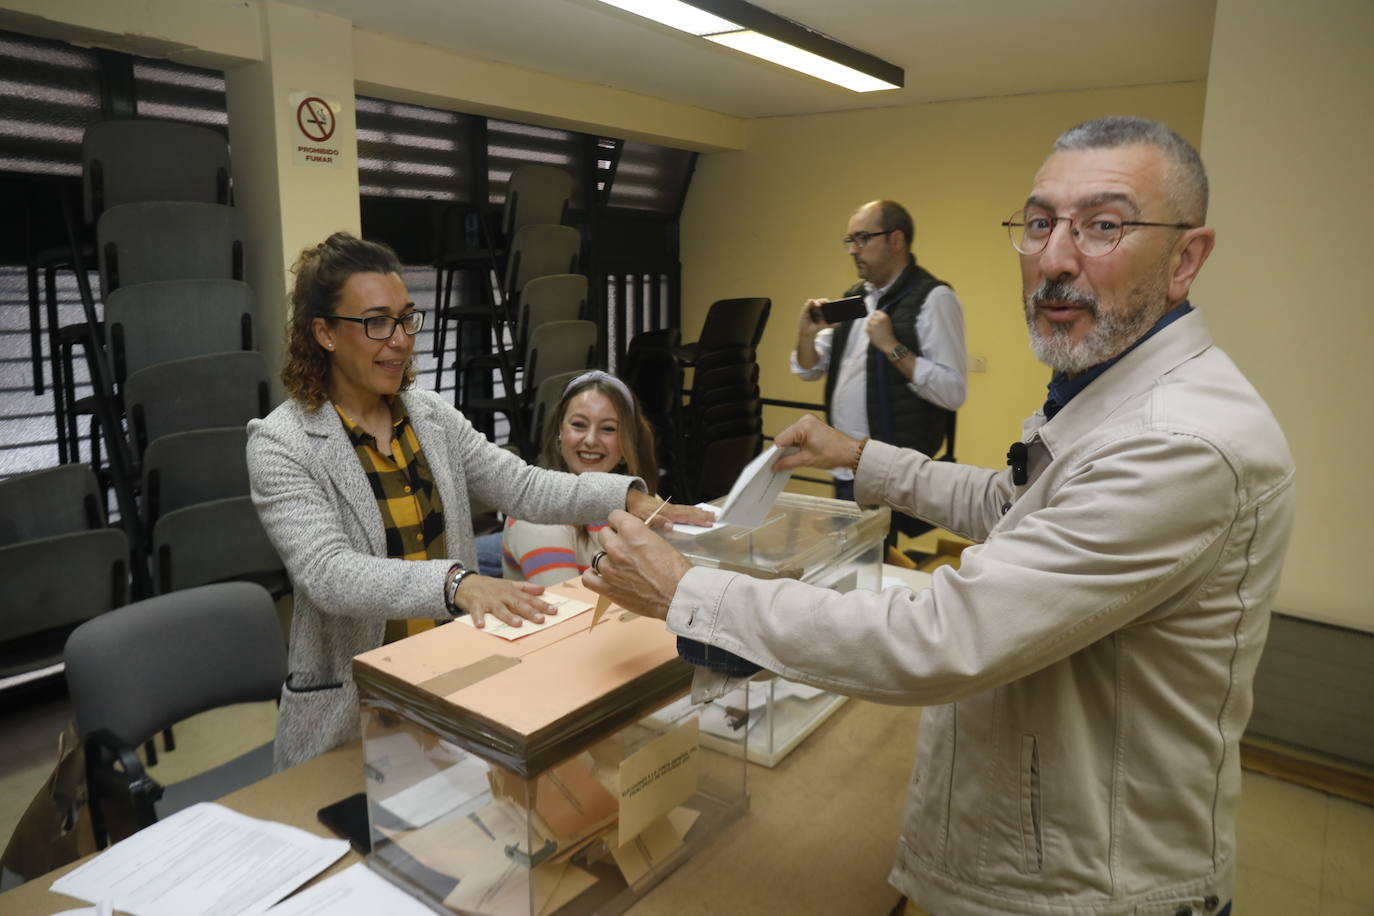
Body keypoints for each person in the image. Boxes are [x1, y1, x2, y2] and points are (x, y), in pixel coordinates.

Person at [583, 118, 1295, 916]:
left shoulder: (1179, 445)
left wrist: (689, 590)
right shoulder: (1104, 389)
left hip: (1094, 888)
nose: (1056, 259)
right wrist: (859, 455)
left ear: (1186, 258)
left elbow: (946, 637)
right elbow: (1011, 503)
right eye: (1039, 224)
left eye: (1104, 226)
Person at [247, 232, 707, 771]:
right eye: (376, 322)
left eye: (406, 318)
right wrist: (457, 584)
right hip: (354, 709)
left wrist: (624, 494)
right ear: (323, 332)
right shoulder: (281, 442)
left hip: (450, 684)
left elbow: (523, 485)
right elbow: (329, 575)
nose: (399, 340)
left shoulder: (429, 416)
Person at [792, 199, 967, 509]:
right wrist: (806, 336)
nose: (853, 249)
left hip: (891, 470)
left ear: (895, 240)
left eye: (863, 238)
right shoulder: (854, 298)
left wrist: (892, 347)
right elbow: (811, 369)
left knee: (875, 553)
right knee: (854, 554)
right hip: (844, 464)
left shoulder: (934, 298)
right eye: (850, 240)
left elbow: (951, 392)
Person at [502, 370, 657, 586]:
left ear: (627, 443)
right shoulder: (537, 517)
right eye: (578, 425)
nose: (591, 440)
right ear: (559, 432)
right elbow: (568, 606)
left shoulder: (640, 500)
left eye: (608, 429)